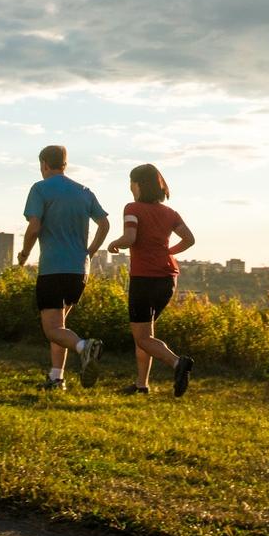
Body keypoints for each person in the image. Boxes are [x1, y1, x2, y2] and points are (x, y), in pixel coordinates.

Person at [19, 144, 110, 390]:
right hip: (79, 271)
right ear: (64, 164)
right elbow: (104, 224)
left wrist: (25, 253)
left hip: (53, 269)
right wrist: (90, 251)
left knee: (52, 329)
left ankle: (85, 347)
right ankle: (56, 378)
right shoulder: (84, 191)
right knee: (59, 327)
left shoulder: (40, 189)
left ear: (45, 164)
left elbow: (34, 227)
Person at [104, 163, 195, 397]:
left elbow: (130, 237)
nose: (129, 187)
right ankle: (141, 385)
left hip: (144, 277)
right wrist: (167, 252)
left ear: (138, 185)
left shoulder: (132, 207)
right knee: (146, 334)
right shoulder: (170, 213)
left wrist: (115, 243)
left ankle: (177, 363)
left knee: (142, 337)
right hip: (167, 279)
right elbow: (189, 239)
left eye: (131, 182)